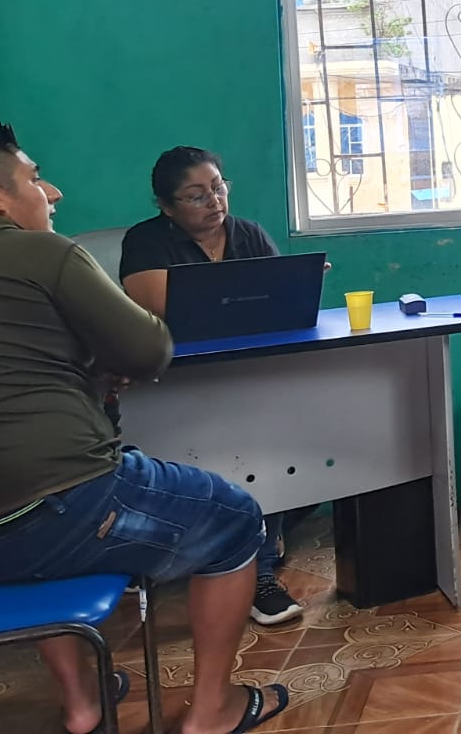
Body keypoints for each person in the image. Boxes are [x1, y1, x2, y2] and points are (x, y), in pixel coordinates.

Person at [0, 125, 289, 734]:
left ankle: (84, 702)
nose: (51, 192)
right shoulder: (42, 252)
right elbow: (148, 348)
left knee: (35, 540)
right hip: (56, 504)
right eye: (34, 178)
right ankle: (211, 711)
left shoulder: (248, 232)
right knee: (236, 517)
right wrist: (97, 355)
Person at [119, 146, 304, 627]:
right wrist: (259, 291)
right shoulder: (146, 241)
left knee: (273, 447)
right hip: (176, 381)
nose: (214, 201)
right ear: (166, 205)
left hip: (251, 375)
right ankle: (205, 553)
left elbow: (283, 309)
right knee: (204, 462)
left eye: (218, 188)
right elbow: (162, 307)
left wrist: (289, 287)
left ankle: (261, 571)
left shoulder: (249, 233)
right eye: (196, 195)